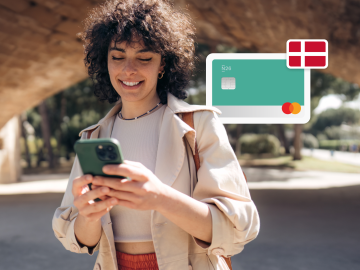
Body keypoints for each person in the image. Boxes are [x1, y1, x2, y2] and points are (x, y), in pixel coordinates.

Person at [52, 0, 260, 270]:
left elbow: (240, 228)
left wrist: (160, 197)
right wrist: (90, 217)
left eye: (145, 58)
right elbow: (78, 240)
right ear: (105, 61)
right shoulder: (93, 138)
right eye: (117, 57)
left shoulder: (201, 124)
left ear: (163, 64)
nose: (129, 69)